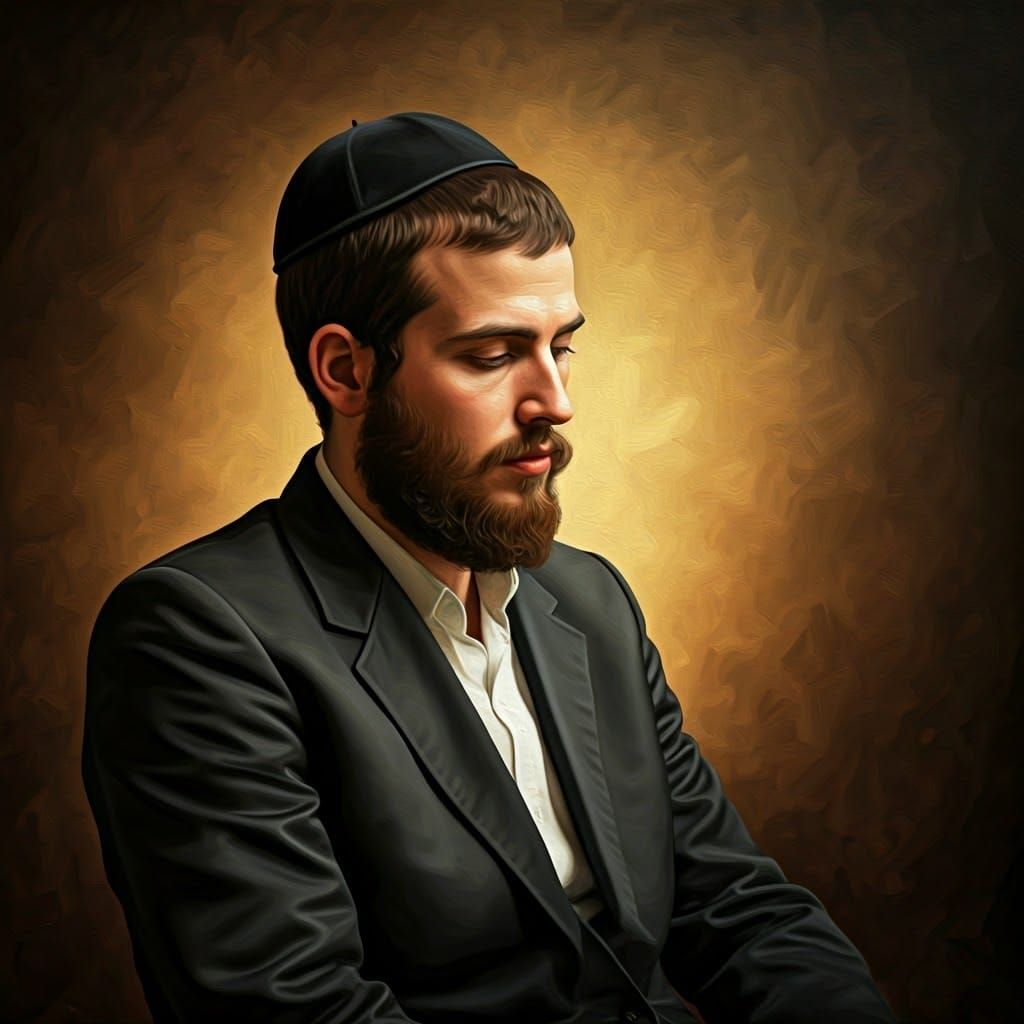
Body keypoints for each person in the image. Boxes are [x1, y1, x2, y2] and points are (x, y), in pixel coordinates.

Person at [81, 112, 897, 1024]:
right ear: (346, 372)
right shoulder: (196, 637)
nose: (556, 401)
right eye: (494, 354)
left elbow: (739, 913)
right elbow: (298, 1009)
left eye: (563, 345)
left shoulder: (591, 601)